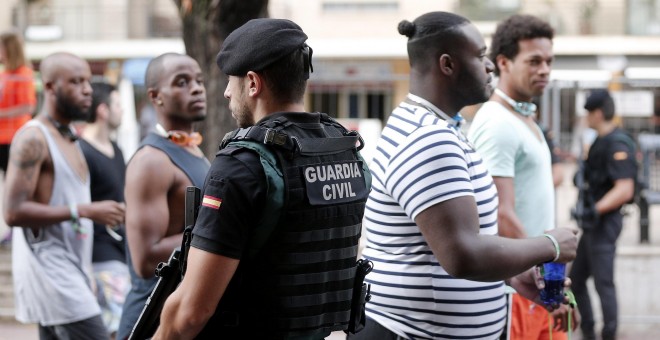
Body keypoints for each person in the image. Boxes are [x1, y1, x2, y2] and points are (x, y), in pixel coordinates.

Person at [351, 12, 578, 340]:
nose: (489, 68)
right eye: (481, 56)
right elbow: (463, 255)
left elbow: (453, 241)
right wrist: (551, 245)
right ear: (447, 64)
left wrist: (513, 276)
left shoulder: (440, 128)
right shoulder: (429, 137)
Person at [153, 18, 372, 339]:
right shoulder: (345, 149)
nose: (227, 93)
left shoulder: (244, 162)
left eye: (231, 81)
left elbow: (191, 312)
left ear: (253, 83)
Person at [468, 14, 578, 339]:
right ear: (503, 62)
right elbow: (501, 213)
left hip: (536, 282)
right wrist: (550, 291)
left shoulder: (524, 119)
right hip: (519, 293)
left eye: (548, 61)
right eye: (533, 61)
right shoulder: (497, 123)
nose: (544, 69)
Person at [2, 52, 125, 340]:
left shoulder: (71, 135)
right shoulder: (33, 138)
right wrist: (84, 210)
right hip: (52, 275)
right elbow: (12, 212)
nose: (87, 90)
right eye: (75, 82)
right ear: (50, 87)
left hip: (73, 271)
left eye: (87, 81)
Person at [117, 52, 209, 340]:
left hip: (179, 317)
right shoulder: (152, 161)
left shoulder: (192, 150)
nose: (195, 88)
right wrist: (220, 228)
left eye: (198, 80)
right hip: (150, 320)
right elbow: (145, 260)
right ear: (155, 96)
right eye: (181, 82)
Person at [569, 89, 636, 340]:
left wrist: (593, 209)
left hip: (605, 222)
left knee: (603, 283)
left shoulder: (617, 143)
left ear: (597, 113)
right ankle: (588, 331)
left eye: (588, 113)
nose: (586, 118)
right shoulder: (599, 141)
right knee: (576, 278)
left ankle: (609, 334)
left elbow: (624, 189)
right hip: (593, 223)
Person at [80, 82, 129, 338]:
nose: (121, 110)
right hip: (98, 256)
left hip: (121, 252)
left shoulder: (117, 150)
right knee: (116, 329)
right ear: (103, 110)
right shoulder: (80, 151)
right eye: (118, 104)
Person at [0, 30, 36, 174]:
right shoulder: (4, 74)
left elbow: (28, 107)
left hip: (15, 136)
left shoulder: (24, 74)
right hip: (3, 137)